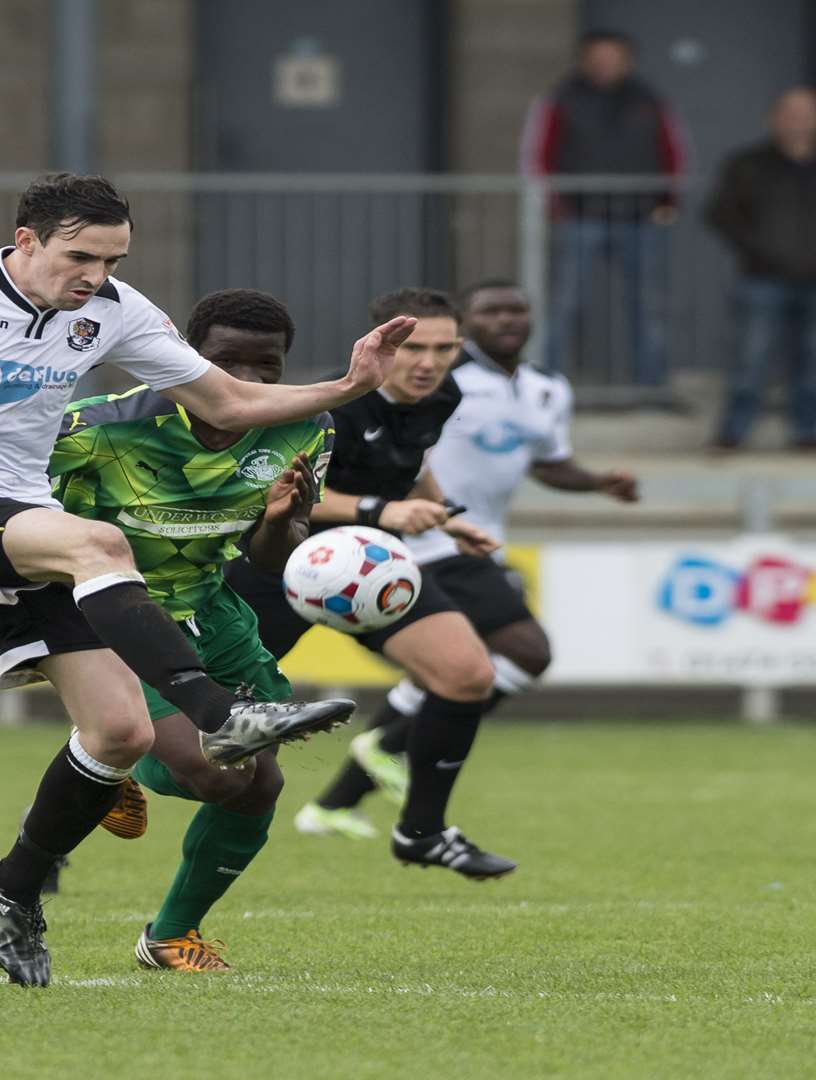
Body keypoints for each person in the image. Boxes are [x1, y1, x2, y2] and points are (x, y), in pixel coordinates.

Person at [0, 172, 410, 986]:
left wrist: (352, 386)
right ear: (25, 240)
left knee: (120, 734)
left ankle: (12, 887)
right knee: (103, 543)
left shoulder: (112, 310)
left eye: (112, 259)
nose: (95, 277)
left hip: (27, 520)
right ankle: (223, 712)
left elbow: (224, 397)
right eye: (80, 257)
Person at [0, 288, 332, 973]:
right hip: (116, 618)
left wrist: (279, 522)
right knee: (213, 773)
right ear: (182, 357)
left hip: (214, 610)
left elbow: (269, 558)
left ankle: (170, 934)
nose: (249, 381)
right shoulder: (96, 426)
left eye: (267, 366)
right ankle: (115, 757)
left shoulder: (307, 427)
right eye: (227, 362)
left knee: (259, 786)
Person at [314, 280, 638, 826]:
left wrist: (599, 482)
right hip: (406, 538)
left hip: (456, 530)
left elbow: (542, 462)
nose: (507, 320)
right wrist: (392, 512)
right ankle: (390, 747)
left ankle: (335, 803)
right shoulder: (411, 380)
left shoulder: (544, 388)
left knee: (462, 665)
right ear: (470, 323)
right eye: (492, 310)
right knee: (519, 652)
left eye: (518, 309)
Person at [221, 287, 515, 879]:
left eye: (445, 347)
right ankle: (50, 834)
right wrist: (380, 511)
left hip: (365, 568)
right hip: (276, 565)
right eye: (413, 347)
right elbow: (277, 491)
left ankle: (421, 834)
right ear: (379, 344)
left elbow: (415, 459)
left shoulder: (442, 393)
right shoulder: (333, 405)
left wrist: (449, 521)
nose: (428, 363)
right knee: (179, 720)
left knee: (468, 674)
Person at [524, 30, 686, 388]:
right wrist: (555, 205)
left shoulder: (650, 100)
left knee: (649, 306)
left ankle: (650, 386)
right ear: (584, 60)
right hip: (580, 215)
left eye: (612, 58)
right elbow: (538, 154)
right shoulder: (560, 99)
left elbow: (672, 150)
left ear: (627, 61)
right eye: (597, 58)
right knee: (565, 303)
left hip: (641, 216)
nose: (605, 65)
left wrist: (668, 201)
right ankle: (545, 382)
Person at [706, 87, 816, 451]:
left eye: (806, 113)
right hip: (761, 277)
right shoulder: (748, 164)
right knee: (750, 359)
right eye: (790, 113)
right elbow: (721, 214)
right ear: (773, 118)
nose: (797, 121)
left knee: (813, 361)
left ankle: (807, 432)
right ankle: (734, 432)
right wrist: (758, 248)